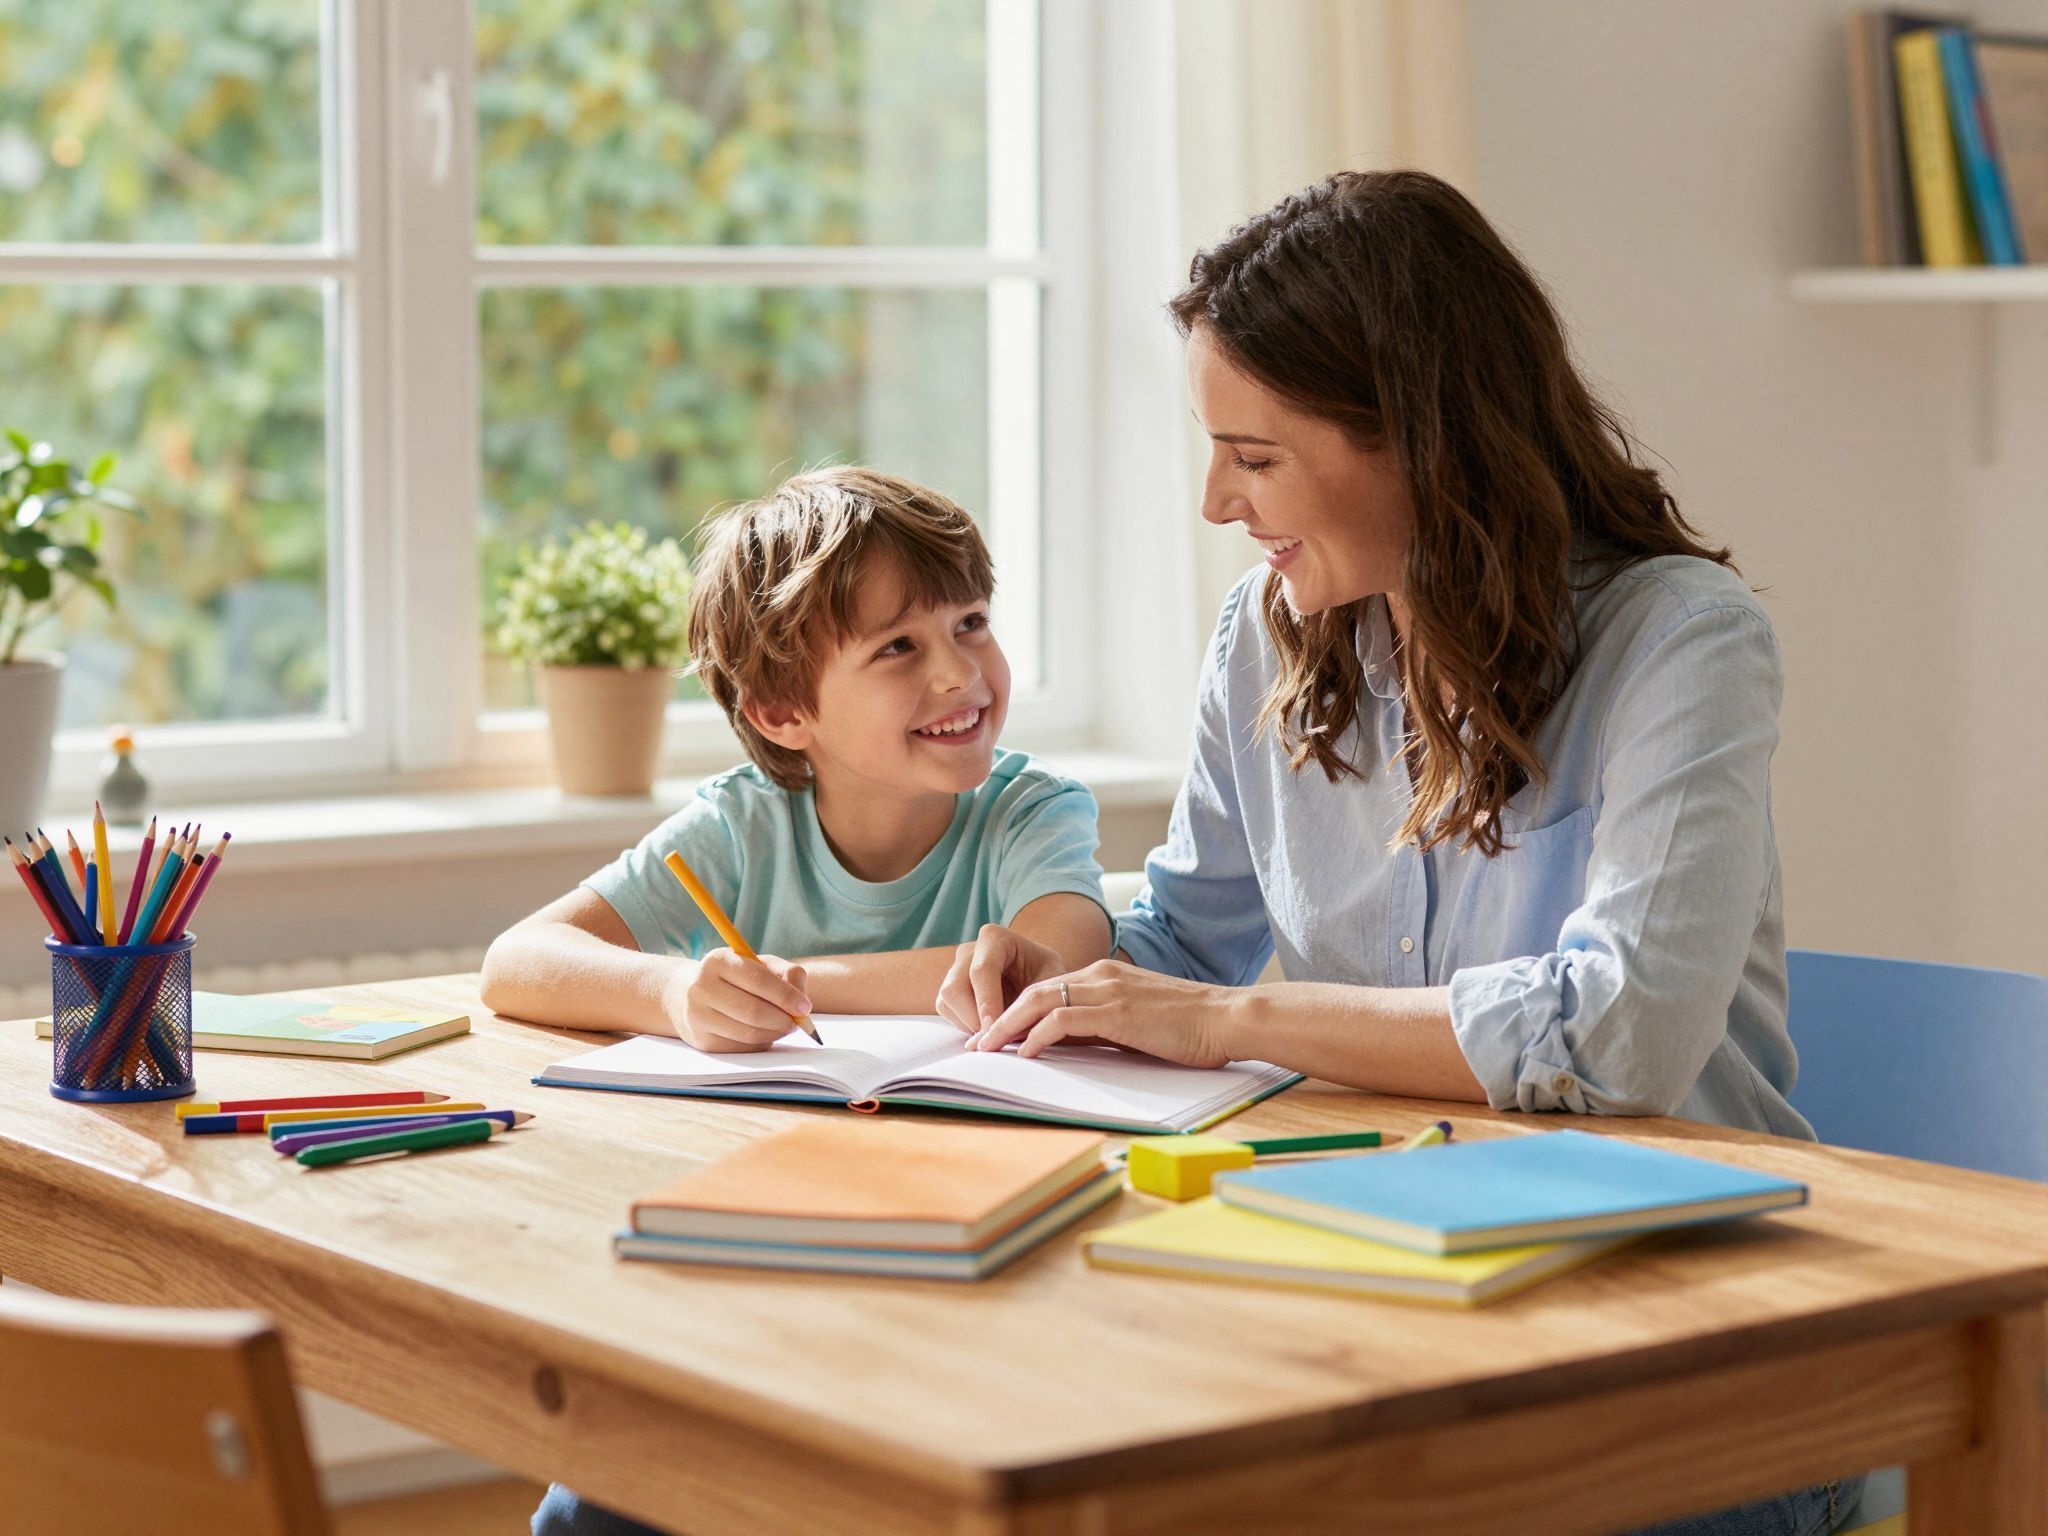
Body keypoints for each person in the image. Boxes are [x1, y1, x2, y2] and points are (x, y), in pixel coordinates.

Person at [937, 171, 1858, 1536]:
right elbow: (1182, 945)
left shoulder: (1680, 641)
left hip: (1685, 1331)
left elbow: (1622, 1036)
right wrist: (1063, 966)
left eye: (1255, 458)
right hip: (1387, 1277)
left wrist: (1223, 1020)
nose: (1215, 501)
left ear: (1419, 437)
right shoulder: (1263, 637)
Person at [483, 467, 1113, 1536]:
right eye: (898, 647)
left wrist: (798, 983)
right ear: (783, 712)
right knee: (599, 1504)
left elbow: (1057, 965)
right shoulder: (740, 827)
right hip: (758, 1243)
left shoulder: (1029, 810)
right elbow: (517, 959)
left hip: (983, 1253)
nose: (961, 671)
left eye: (970, 622)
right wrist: (672, 989)